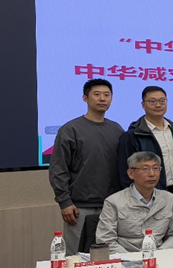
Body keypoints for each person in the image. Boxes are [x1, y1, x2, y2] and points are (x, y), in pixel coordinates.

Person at [48, 79, 124, 255]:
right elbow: (58, 168)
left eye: (107, 95)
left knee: (110, 256)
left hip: (112, 205)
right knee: (77, 257)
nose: (102, 99)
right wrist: (65, 201)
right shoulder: (70, 129)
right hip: (79, 207)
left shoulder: (117, 129)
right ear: (85, 98)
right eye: (97, 94)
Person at [96, 151, 173, 253]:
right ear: (131, 173)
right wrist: (132, 259)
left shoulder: (170, 199)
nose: (152, 174)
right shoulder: (113, 201)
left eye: (156, 168)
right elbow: (105, 239)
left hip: (160, 256)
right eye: (145, 169)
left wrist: (161, 252)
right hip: (125, 257)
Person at [116, 86, 173, 209]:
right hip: (145, 193)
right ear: (143, 105)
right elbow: (124, 171)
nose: (158, 105)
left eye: (162, 101)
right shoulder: (133, 135)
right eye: (152, 101)